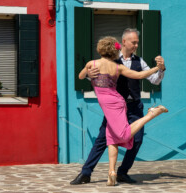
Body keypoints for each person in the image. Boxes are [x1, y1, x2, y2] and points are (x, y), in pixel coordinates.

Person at [70, 28, 166, 185]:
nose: (136, 45)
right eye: (133, 42)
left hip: (134, 106)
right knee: (102, 140)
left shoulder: (140, 61)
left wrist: (161, 69)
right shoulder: (110, 60)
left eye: (137, 43)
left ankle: (122, 172)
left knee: (138, 140)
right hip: (115, 108)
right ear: (124, 42)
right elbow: (94, 78)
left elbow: (154, 80)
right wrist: (88, 74)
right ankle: (86, 173)